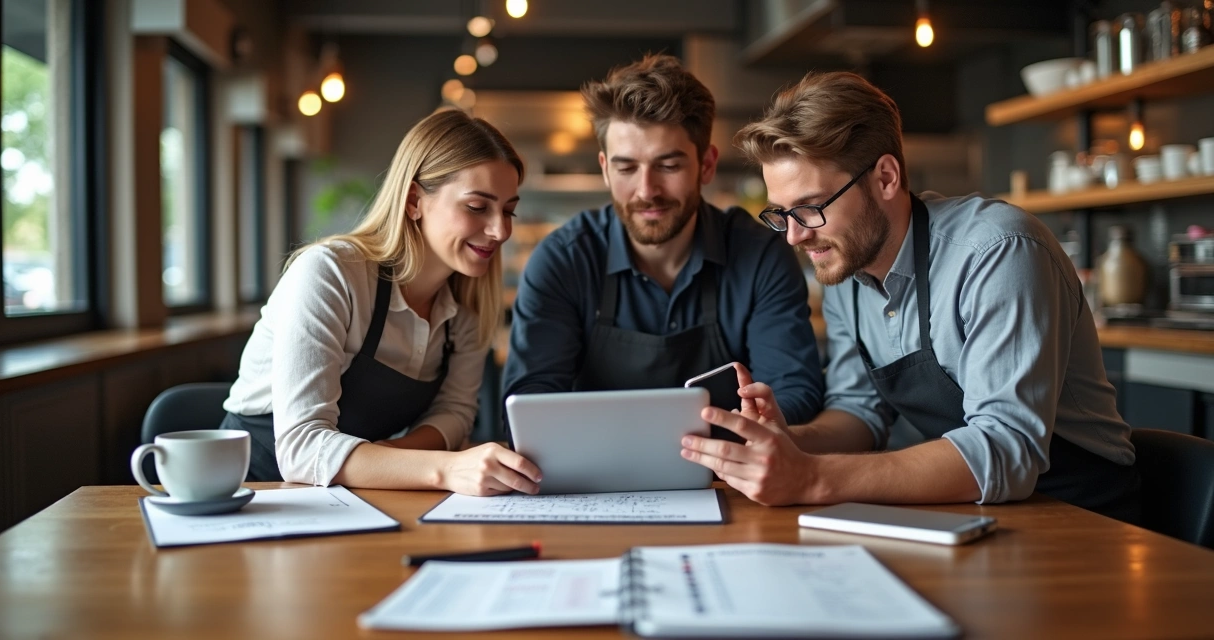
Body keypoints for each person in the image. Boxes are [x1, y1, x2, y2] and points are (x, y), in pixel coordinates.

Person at [680, 71, 1139, 523]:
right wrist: (789, 443)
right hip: (983, 510)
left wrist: (813, 477)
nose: (795, 236)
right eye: (782, 214)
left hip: (1085, 513)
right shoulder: (845, 268)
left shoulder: (998, 253)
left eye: (811, 208)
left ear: (885, 177)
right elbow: (859, 413)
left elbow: (1006, 450)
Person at [221, 109, 542, 496]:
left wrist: (386, 461)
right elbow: (302, 450)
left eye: (509, 211)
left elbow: (454, 413)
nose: (500, 230)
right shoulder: (331, 274)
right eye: (477, 207)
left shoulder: (467, 308)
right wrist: (444, 469)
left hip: (353, 498)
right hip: (255, 495)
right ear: (413, 201)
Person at [502, 54, 823, 439]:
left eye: (668, 166)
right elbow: (529, 403)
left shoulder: (760, 255)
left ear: (706, 165)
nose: (646, 191)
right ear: (605, 168)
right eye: (626, 169)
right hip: (596, 481)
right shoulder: (563, 259)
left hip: (727, 479)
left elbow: (794, 393)